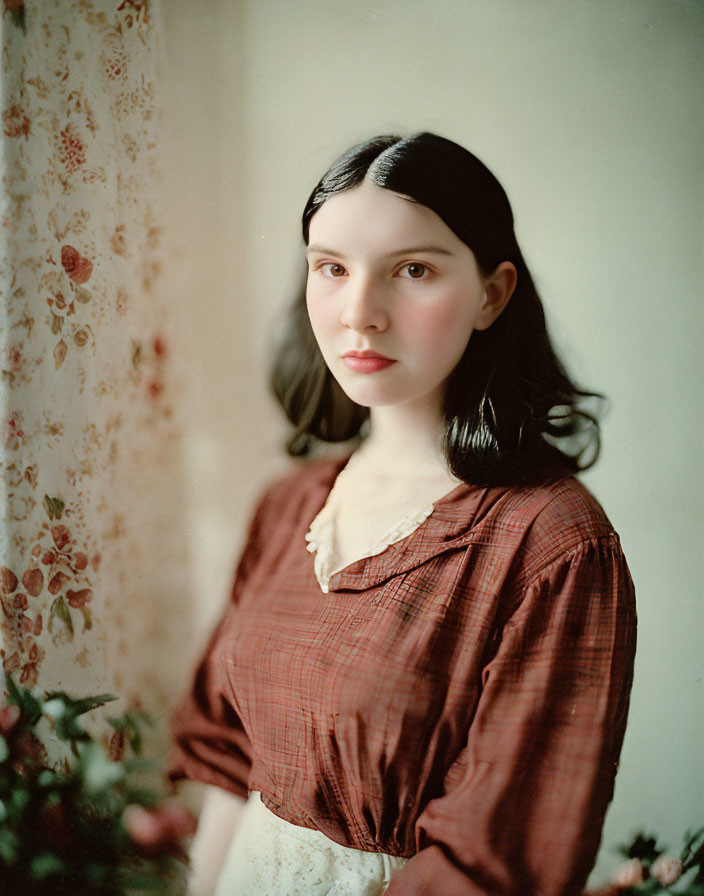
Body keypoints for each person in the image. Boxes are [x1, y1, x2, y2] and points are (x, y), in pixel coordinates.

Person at [168, 133, 637, 896]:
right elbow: (229, 762)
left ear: (493, 293)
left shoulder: (552, 541)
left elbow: (501, 858)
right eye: (332, 268)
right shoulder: (290, 505)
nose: (360, 314)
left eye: (411, 270)